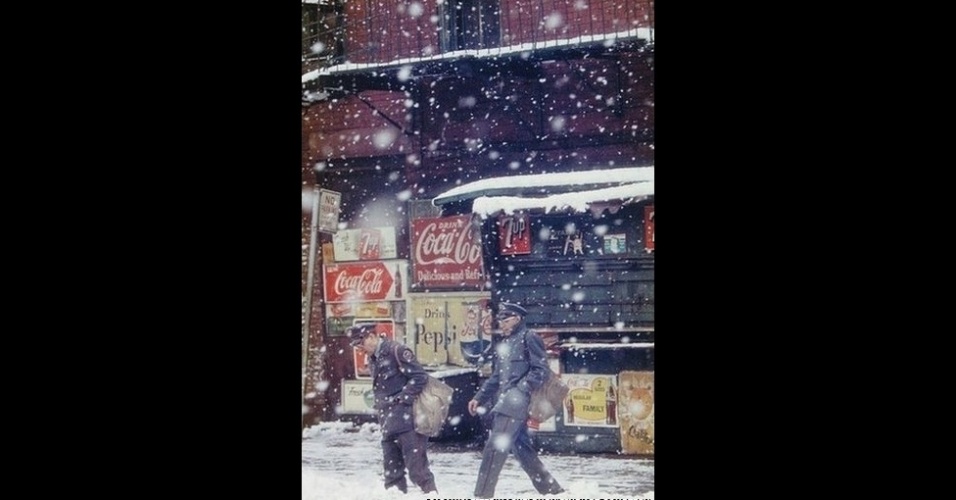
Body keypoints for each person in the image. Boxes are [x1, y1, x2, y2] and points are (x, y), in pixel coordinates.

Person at [467, 302, 565, 498]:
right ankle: (553, 491)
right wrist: (479, 397)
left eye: (506, 320)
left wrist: (521, 390)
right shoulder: (507, 343)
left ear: (518, 319)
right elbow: (497, 376)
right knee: (522, 450)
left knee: (494, 448)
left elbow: (540, 370)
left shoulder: (529, 337)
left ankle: (482, 495)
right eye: (500, 321)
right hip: (507, 401)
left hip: (515, 402)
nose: (502, 324)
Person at [348, 323, 438, 494]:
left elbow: (420, 377)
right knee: (392, 476)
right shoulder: (373, 358)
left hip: (408, 423)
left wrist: (402, 399)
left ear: (371, 337)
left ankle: (432, 495)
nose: (359, 349)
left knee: (418, 472)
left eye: (360, 344)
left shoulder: (396, 350)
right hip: (388, 423)